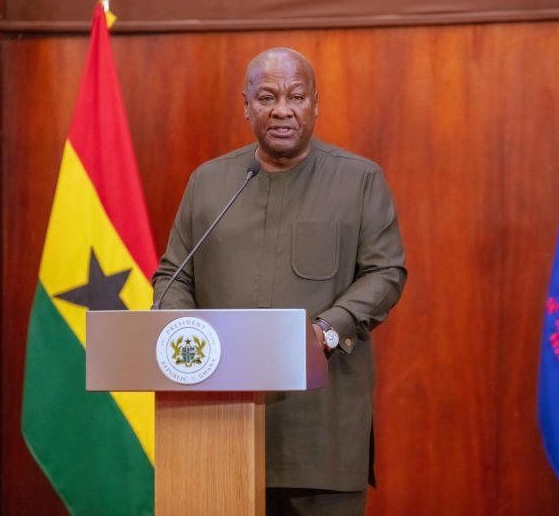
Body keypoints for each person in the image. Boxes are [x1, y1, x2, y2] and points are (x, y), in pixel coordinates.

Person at [152, 47, 407, 515]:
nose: (282, 110)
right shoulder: (209, 182)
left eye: (296, 97)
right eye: (267, 97)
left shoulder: (359, 180)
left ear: (316, 104)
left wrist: (326, 329)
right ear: (246, 105)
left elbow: (385, 272)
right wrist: (189, 338)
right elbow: (174, 276)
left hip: (321, 430)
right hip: (217, 426)